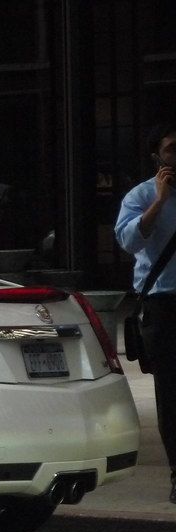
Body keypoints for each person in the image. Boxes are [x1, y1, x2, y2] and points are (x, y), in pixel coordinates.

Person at [115, 122, 176, 502]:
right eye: (172, 149)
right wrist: (159, 200)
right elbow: (129, 240)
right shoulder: (139, 195)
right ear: (157, 156)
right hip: (163, 304)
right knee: (171, 393)